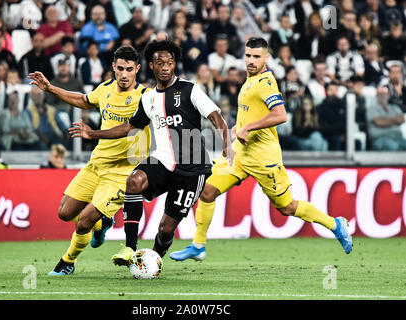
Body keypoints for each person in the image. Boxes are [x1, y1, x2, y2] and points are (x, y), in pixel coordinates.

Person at [169, 37, 353, 263]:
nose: (251, 60)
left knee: (287, 207)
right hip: (240, 154)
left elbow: (281, 115)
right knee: (207, 190)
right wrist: (241, 126)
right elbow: (253, 111)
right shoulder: (249, 80)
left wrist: (249, 127)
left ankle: (335, 224)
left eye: (257, 56)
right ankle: (198, 246)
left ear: (266, 58)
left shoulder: (265, 83)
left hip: (264, 158)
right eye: (248, 55)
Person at [68, 39, 232, 265]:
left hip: (192, 169)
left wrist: (226, 142)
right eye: (160, 62)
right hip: (162, 161)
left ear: (174, 65)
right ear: (151, 66)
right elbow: (128, 127)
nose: (165, 67)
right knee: (133, 181)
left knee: (165, 229)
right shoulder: (148, 97)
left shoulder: (189, 89)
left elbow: (214, 115)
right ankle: (129, 248)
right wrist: (93, 134)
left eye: (170, 62)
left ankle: (152, 260)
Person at [27, 45, 150, 276]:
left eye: (129, 69)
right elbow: (84, 100)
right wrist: (51, 88)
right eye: (120, 68)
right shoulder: (104, 89)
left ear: (137, 70)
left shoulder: (145, 97)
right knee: (64, 213)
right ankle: (102, 223)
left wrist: (92, 134)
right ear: (113, 67)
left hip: (123, 172)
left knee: (82, 222)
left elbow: (128, 128)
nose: (124, 74)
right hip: (97, 165)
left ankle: (67, 261)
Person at [366, 86, 406, 151]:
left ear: (388, 95)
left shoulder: (395, 108)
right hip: (380, 139)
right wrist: (395, 121)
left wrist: (384, 120)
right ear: (376, 96)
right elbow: (379, 122)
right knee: (394, 147)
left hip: (398, 138)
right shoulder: (371, 109)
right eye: (380, 94)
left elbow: (402, 119)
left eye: (384, 93)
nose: (382, 96)